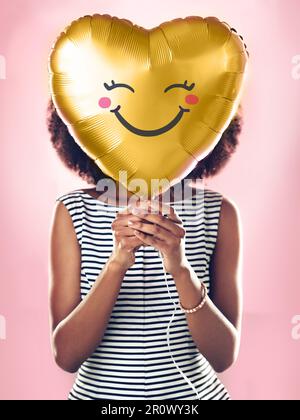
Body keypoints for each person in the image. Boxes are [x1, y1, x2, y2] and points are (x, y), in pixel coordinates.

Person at [47, 99, 243, 400]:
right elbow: (66, 356)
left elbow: (223, 356)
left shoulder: (219, 212)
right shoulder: (74, 211)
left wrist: (181, 269)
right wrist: (118, 262)